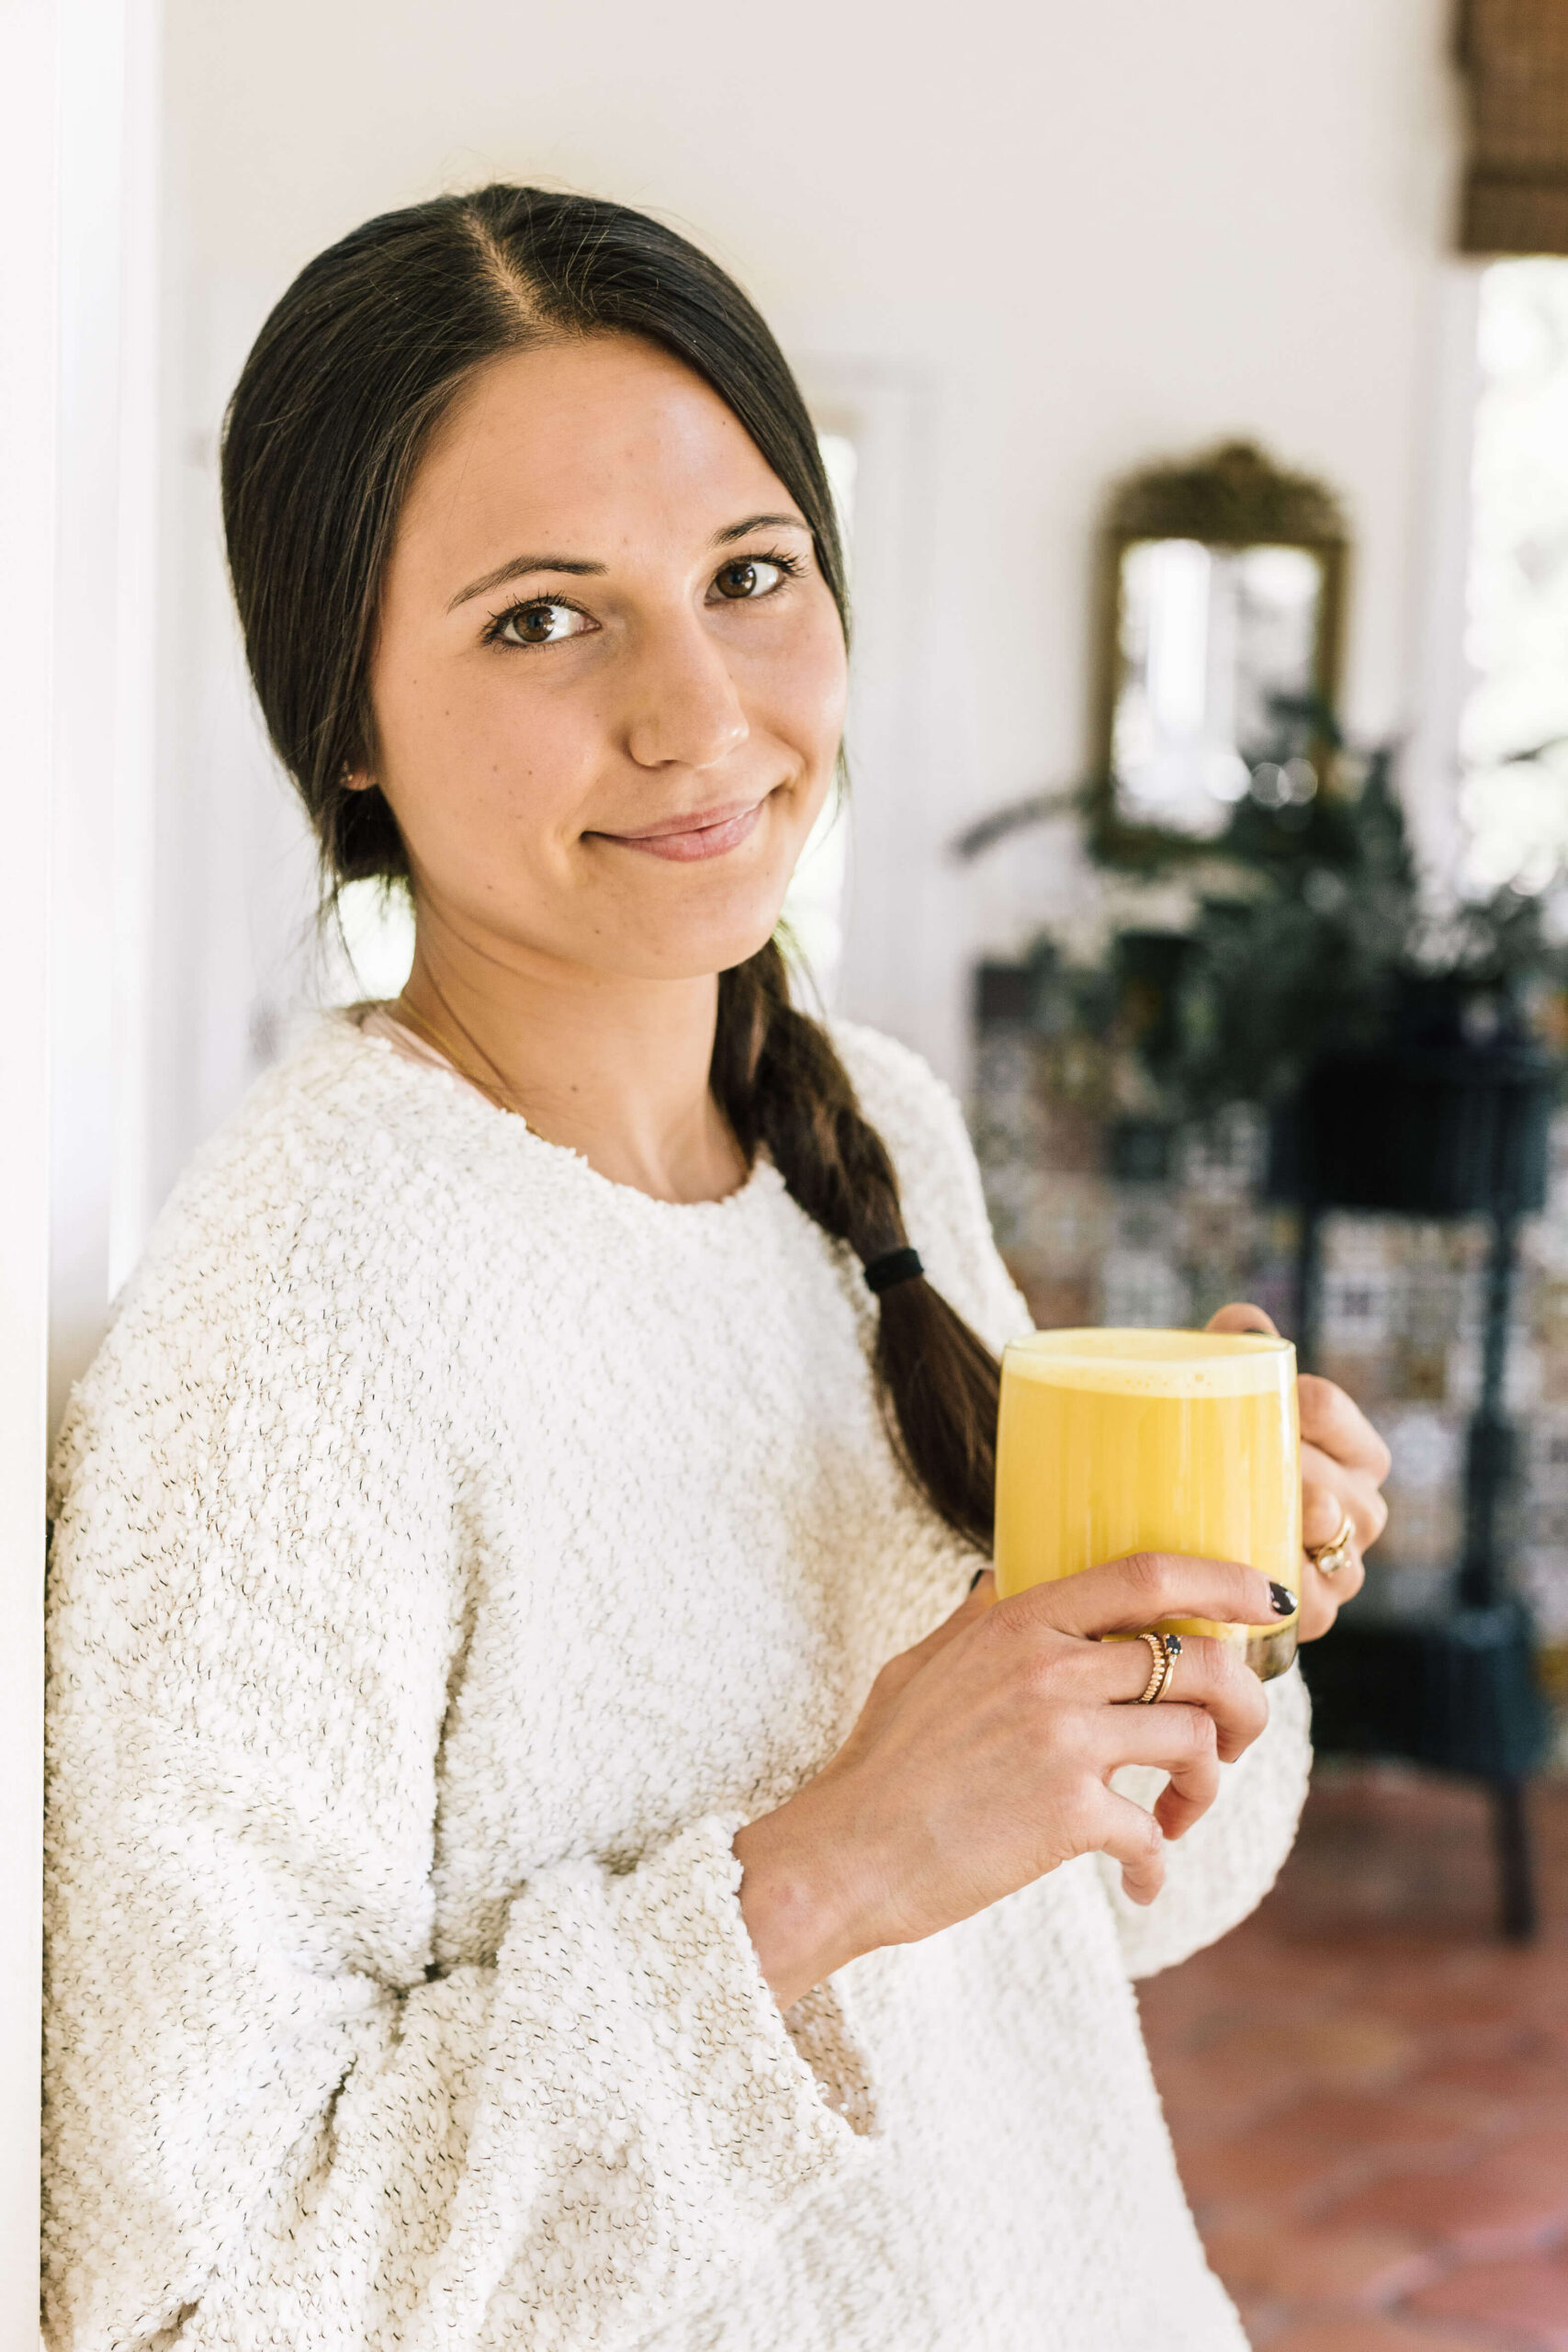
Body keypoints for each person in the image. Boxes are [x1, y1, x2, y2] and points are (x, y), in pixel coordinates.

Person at [43, 186, 1390, 2352]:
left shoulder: (871, 1128)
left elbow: (1096, 1923)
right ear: (347, 721)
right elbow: (202, 2292)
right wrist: (835, 1858)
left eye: (750, 576)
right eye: (539, 620)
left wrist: (1194, 1630)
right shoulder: (293, 1314)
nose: (699, 712)